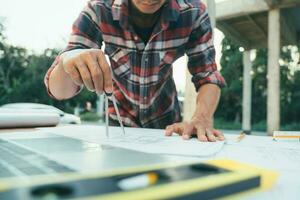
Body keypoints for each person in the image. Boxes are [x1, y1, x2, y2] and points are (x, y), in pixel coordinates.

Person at [44, 0, 226, 142]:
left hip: (167, 130)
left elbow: (207, 75)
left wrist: (201, 118)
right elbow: (60, 92)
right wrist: (67, 61)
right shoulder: (98, 9)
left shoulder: (193, 12)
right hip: (117, 127)